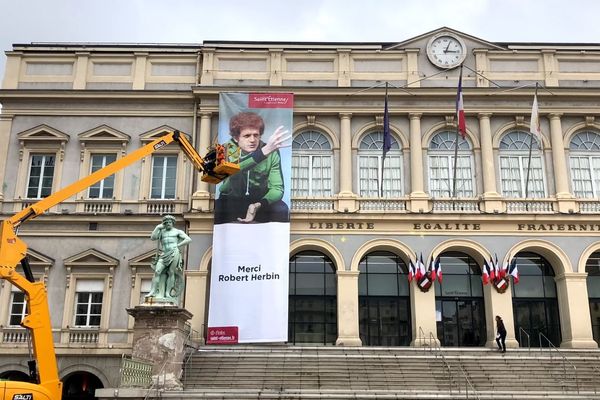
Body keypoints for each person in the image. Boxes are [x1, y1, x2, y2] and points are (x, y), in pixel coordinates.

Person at [214, 111, 291, 224]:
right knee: (217, 210)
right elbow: (232, 169)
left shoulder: (271, 151)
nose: (252, 140)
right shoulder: (224, 150)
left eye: (256, 135)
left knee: (281, 210)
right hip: (231, 199)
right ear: (236, 138)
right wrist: (262, 154)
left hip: (259, 201)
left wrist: (258, 205)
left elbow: (277, 188)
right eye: (247, 136)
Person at [145, 215, 192, 303]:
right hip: (164, 253)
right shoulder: (162, 232)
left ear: (173, 223)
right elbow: (153, 237)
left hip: (174, 253)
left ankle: (167, 293)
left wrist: (178, 245)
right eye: (166, 222)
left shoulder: (177, 232)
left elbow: (188, 239)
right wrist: (157, 227)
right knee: (157, 271)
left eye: (170, 222)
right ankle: (153, 291)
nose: (168, 224)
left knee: (171, 272)